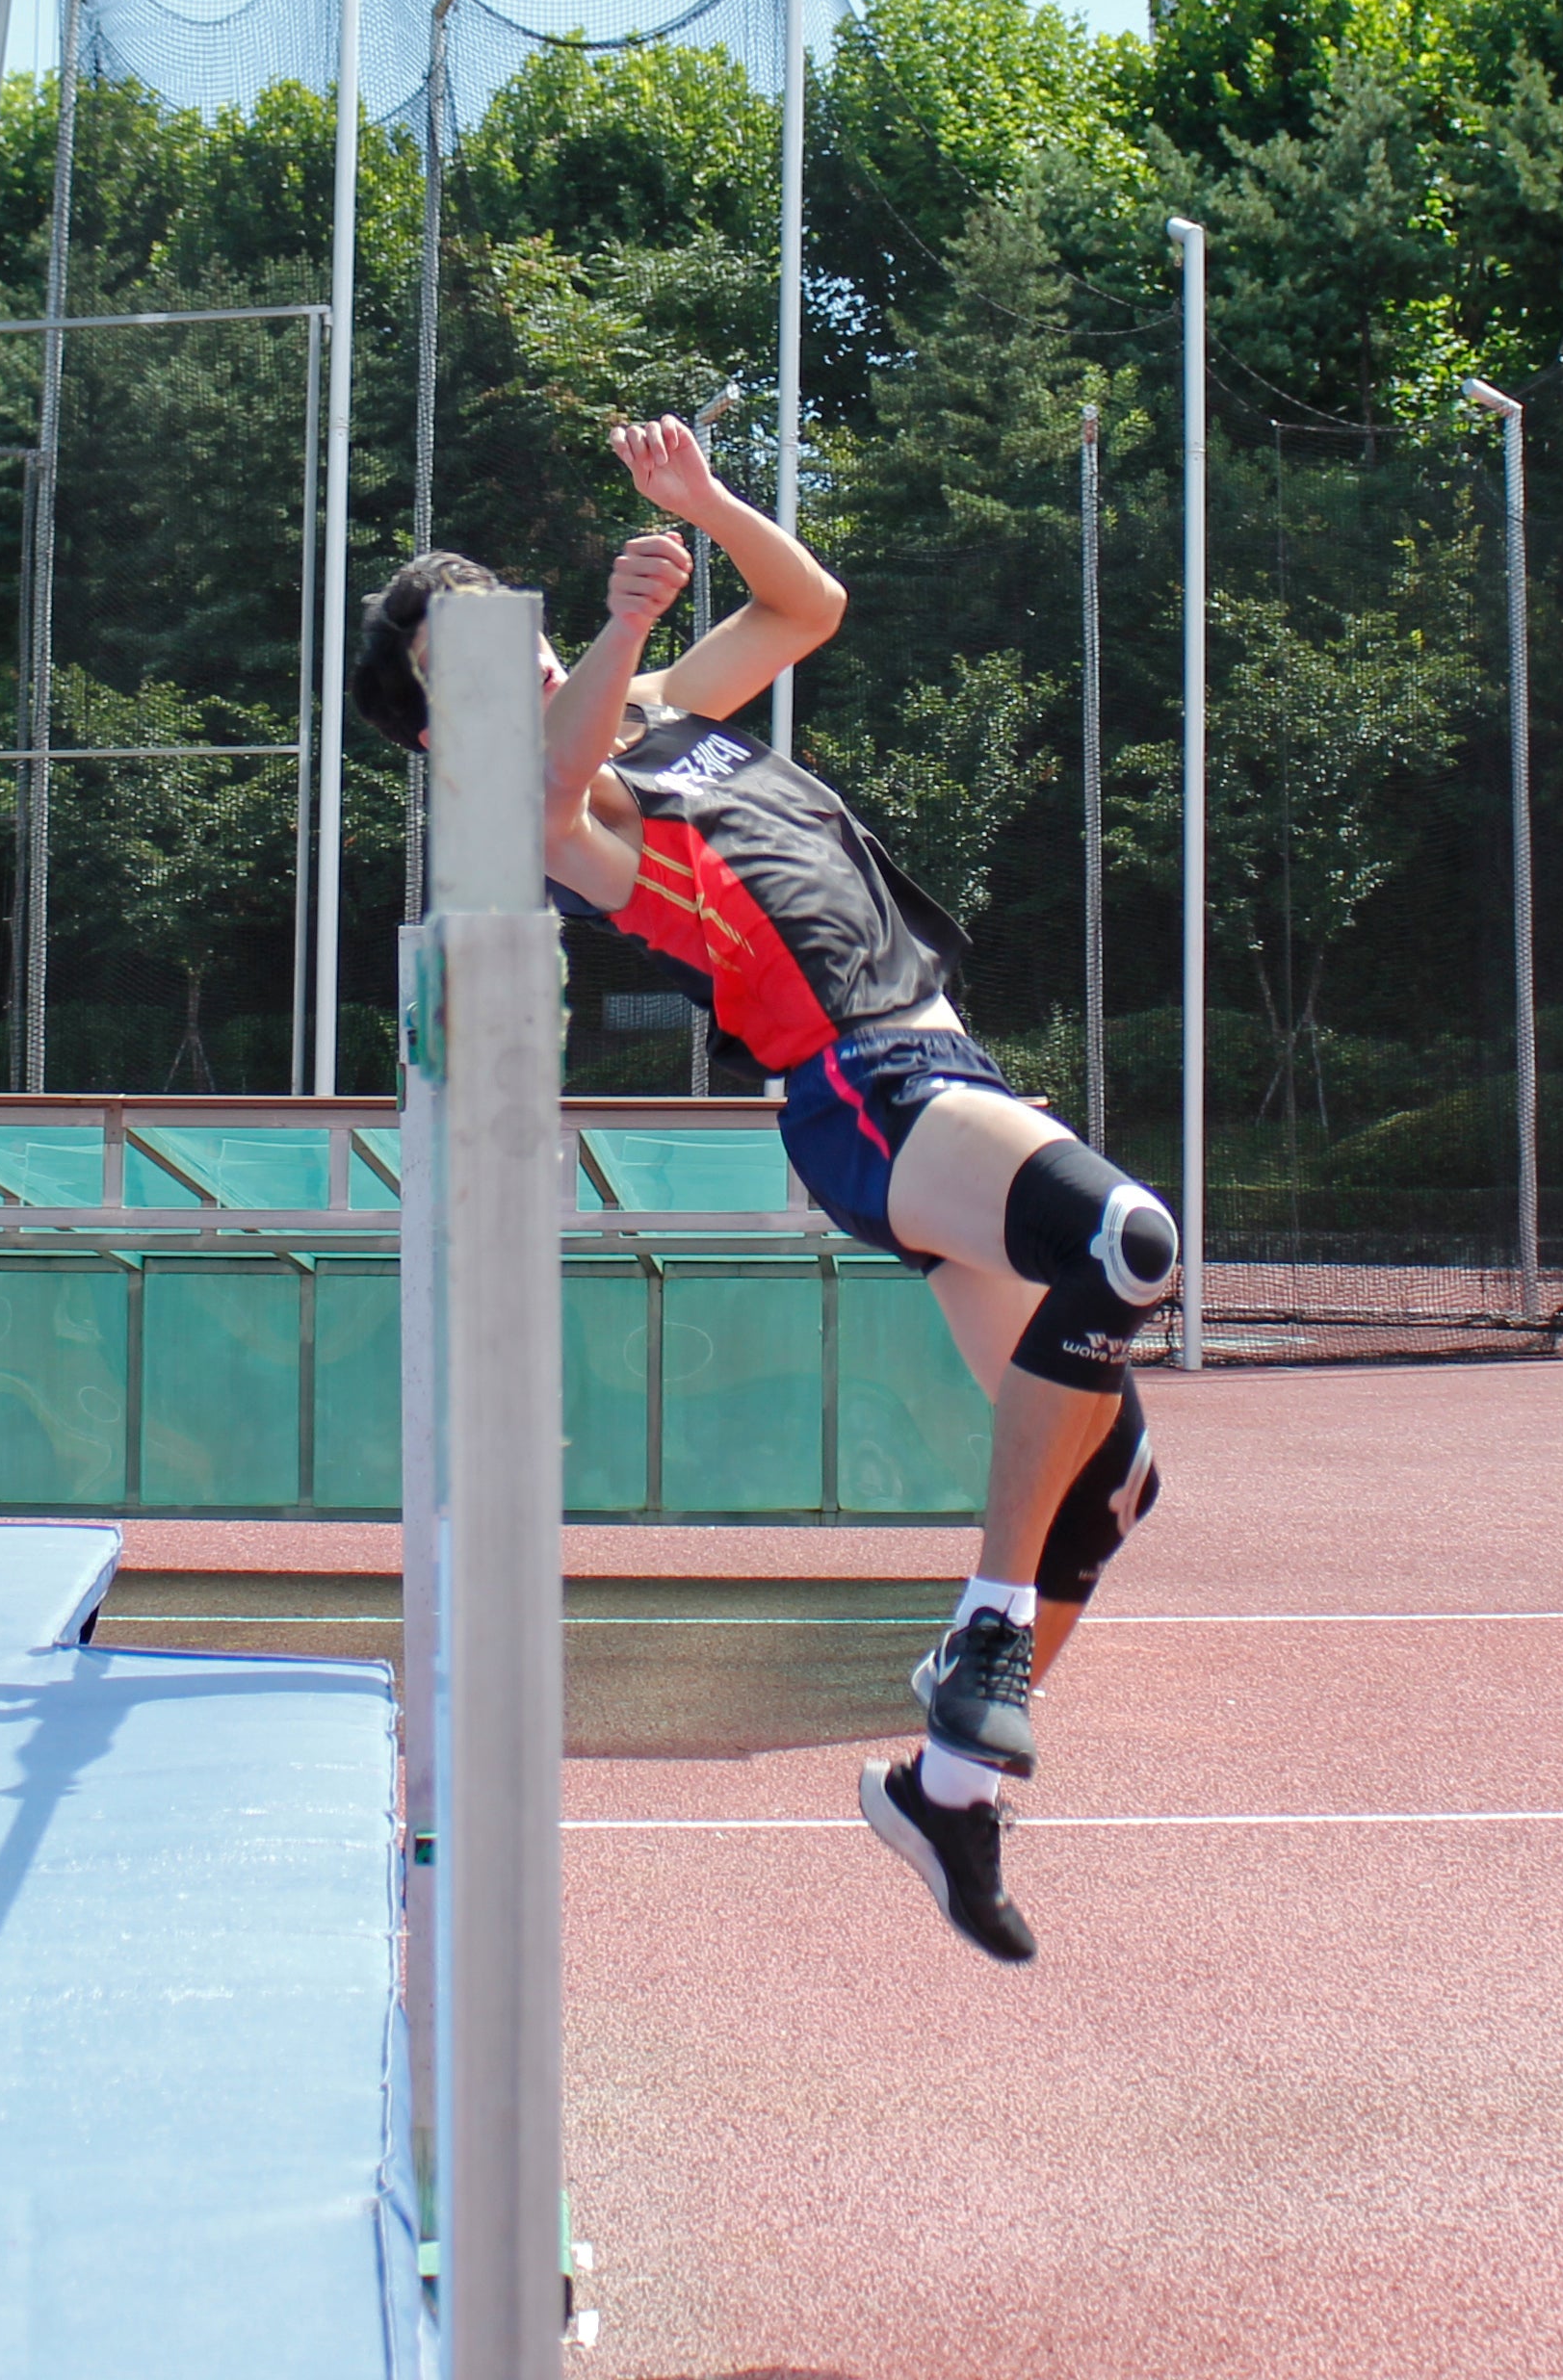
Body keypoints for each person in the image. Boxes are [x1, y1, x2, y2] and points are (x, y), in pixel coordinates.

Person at [347, 415, 1174, 1966]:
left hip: (947, 1069)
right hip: (864, 1090)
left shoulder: (660, 713)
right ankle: (983, 1638)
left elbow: (809, 612)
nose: (528, 667)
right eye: (485, 660)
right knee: (1127, 1241)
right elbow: (561, 771)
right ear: (438, 729)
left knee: (1112, 1480)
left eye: (517, 634)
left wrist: (707, 506)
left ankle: (946, 1792)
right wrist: (625, 619)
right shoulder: (544, 807)